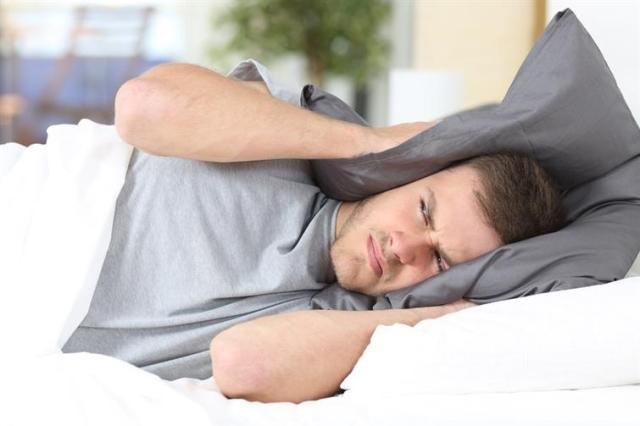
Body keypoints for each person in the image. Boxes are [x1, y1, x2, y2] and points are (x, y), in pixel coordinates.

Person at [62, 62, 565, 403]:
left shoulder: (332, 317)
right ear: (415, 173)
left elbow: (243, 365)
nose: (404, 247)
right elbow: (142, 106)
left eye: (441, 262)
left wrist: (449, 315)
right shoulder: (290, 139)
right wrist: (371, 145)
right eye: (423, 211)